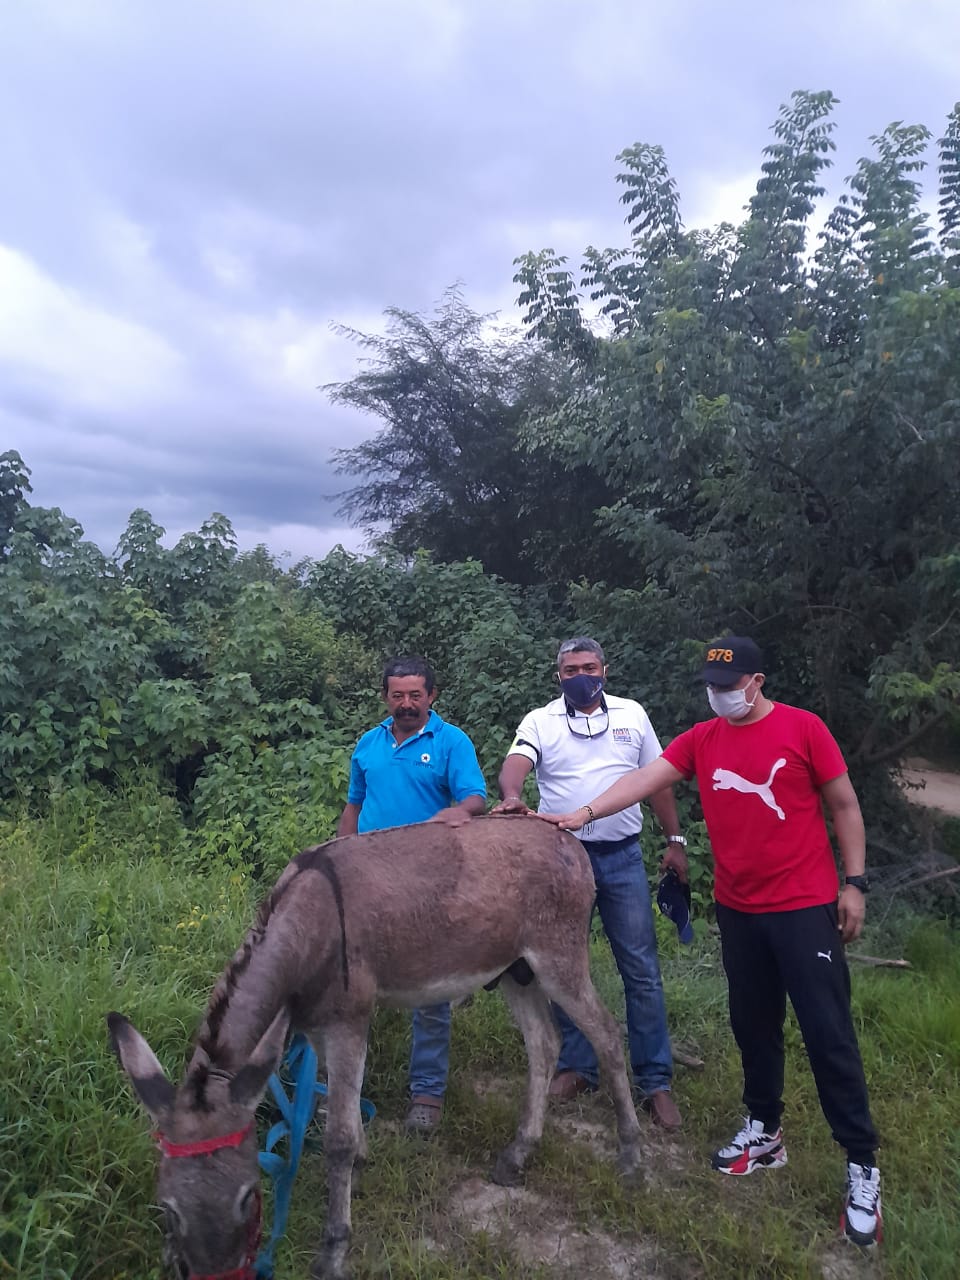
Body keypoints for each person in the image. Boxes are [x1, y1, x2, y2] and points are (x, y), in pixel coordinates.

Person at [539, 635, 882, 1248]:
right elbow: (646, 779)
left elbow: (845, 806)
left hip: (804, 908)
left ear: (757, 681)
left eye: (729, 685)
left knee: (827, 1032)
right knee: (752, 1024)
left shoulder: (804, 731)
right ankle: (764, 1132)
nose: (719, 695)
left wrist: (853, 884)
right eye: (712, 685)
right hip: (739, 908)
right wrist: (581, 815)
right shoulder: (704, 738)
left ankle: (861, 1164)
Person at [495, 636, 685, 1130]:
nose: (581, 675)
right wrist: (513, 794)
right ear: (558, 675)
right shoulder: (541, 720)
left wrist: (675, 839)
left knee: (639, 968)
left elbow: (659, 779)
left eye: (589, 666)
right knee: (560, 968)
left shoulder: (632, 714)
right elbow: (516, 762)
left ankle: (655, 1080)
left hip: (621, 858)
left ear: (605, 669)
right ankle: (577, 1067)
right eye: (571, 669)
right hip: (561, 859)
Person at [337, 655, 487, 1133]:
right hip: (367, 879)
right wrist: (340, 854)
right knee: (351, 978)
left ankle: (427, 1093)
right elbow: (354, 804)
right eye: (397, 695)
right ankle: (341, 1089)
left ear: (431, 696)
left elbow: (475, 798)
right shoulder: (368, 743)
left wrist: (456, 812)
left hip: (427, 881)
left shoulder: (451, 741)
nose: (406, 704)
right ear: (386, 697)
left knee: (429, 988)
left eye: (415, 695)